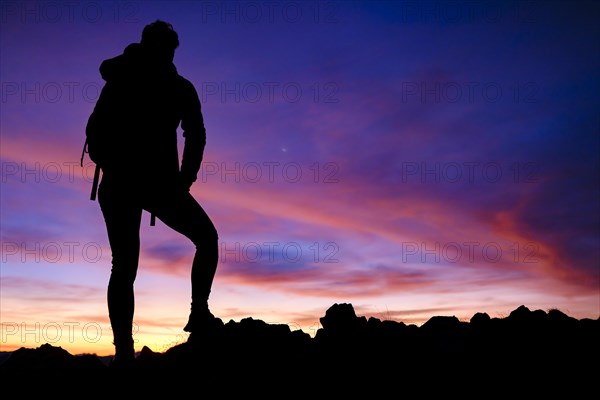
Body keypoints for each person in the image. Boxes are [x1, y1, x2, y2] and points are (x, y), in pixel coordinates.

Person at [85, 20, 219, 367]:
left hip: (138, 184)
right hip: (138, 184)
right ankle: (130, 347)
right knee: (133, 262)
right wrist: (180, 181)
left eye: (168, 48)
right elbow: (196, 134)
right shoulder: (161, 85)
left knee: (128, 264)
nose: (166, 53)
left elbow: (196, 133)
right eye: (164, 47)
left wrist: (182, 181)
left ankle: (133, 347)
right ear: (154, 46)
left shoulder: (137, 81)